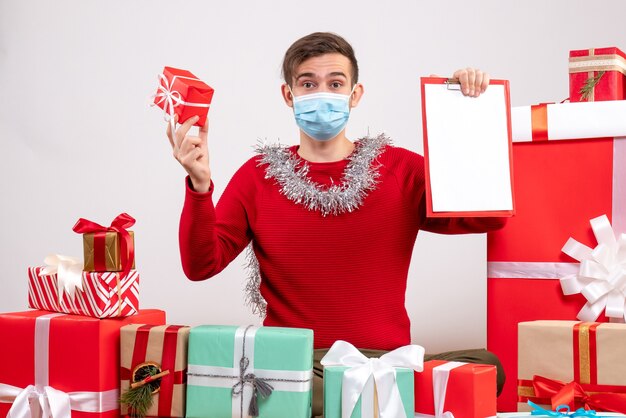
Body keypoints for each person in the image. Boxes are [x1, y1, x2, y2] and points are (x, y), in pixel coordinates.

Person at [167, 32, 507, 417]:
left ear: (355, 94)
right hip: (299, 366)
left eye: (335, 83)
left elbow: (490, 215)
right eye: (308, 83)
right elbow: (200, 265)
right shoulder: (256, 177)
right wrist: (199, 186)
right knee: (293, 388)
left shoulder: (400, 170)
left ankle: (359, 394)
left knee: (486, 366)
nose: (321, 93)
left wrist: (464, 113)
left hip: (386, 361)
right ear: (288, 95)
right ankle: (356, 397)